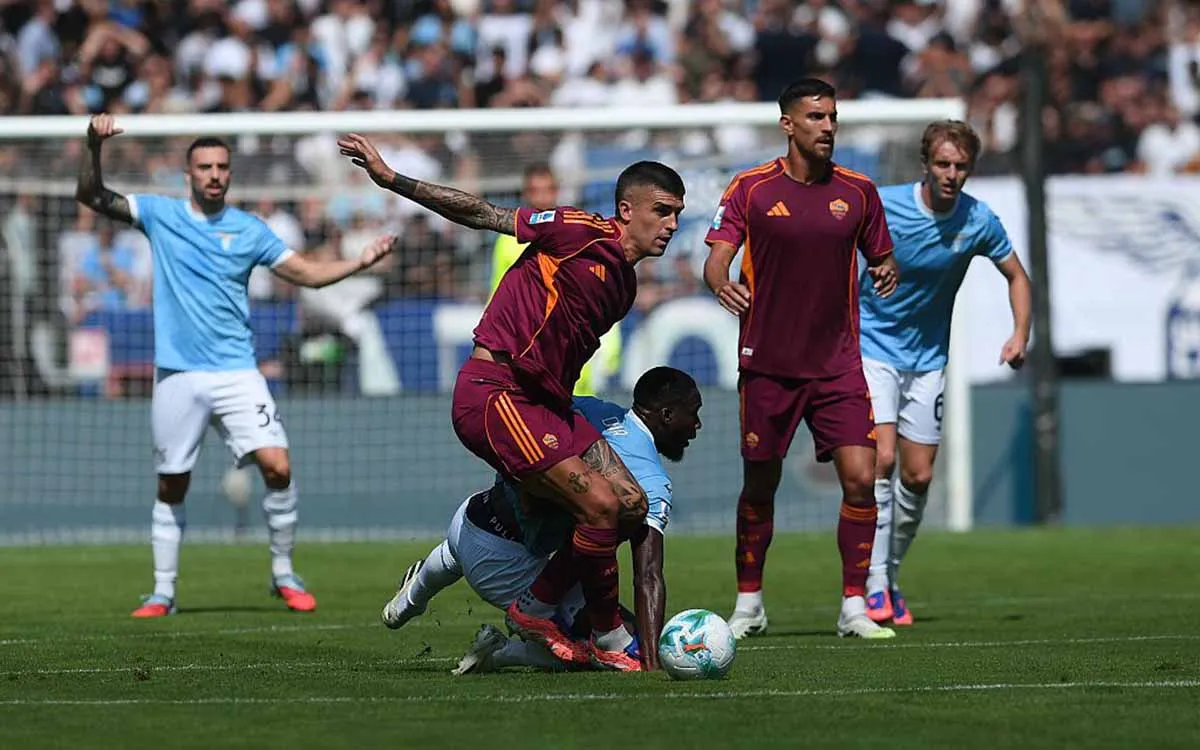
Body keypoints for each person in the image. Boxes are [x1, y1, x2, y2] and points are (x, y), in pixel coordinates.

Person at [338, 133, 685, 671]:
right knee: (599, 506)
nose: (671, 225)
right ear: (626, 209)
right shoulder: (578, 231)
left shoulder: (624, 288)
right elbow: (482, 213)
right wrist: (393, 180)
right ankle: (587, 628)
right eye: (661, 212)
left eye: (677, 215)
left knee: (630, 504)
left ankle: (540, 604)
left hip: (545, 405)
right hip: (495, 391)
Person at [77, 114, 395, 618]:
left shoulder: (249, 230)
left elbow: (308, 274)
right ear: (189, 175)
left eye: (222, 166)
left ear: (230, 173)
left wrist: (361, 262)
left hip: (236, 371)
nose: (214, 174)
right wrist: (92, 146)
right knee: (171, 483)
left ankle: (283, 573)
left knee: (278, 466)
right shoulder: (160, 215)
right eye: (204, 166)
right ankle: (163, 592)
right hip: (178, 374)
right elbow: (93, 197)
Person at [702, 78, 900, 640]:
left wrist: (886, 271)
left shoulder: (859, 191)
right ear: (788, 124)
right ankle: (749, 603)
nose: (828, 127)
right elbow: (717, 260)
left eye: (833, 117)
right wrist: (721, 284)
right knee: (760, 485)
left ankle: (854, 606)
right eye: (816, 117)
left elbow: (882, 258)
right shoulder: (751, 188)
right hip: (768, 364)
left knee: (862, 478)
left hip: (837, 365)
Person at [381, 366, 702, 674]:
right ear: (667, 415)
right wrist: (650, 662)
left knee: (455, 554)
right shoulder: (652, 483)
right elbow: (648, 576)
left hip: (471, 515)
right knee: (610, 650)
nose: (697, 425)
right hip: (505, 564)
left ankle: (412, 596)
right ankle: (502, 651)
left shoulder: (591, 409)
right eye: (694, 412)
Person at [861, 120, 1032, 626]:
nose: (951, 173)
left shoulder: (978, 220)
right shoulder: (884, 205)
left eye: (960, 166)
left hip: (928, 359)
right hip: (872, 348)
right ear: (925, 165)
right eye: (943, 163)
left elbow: (1017, 276)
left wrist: (1020, 333)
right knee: (883, 459)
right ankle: (871, 586)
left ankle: (889, 576)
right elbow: (833, 239)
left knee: (919, 474)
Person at [490, 163, 622, 397]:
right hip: (528, 345)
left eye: (547, 189)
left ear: (556, 190)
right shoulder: (507, 242)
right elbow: (498, 293)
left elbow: (594, 291)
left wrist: (610, 344)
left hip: (571, 346)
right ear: (526, 193)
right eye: (535, 190)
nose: (542, 196)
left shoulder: (575, 231)